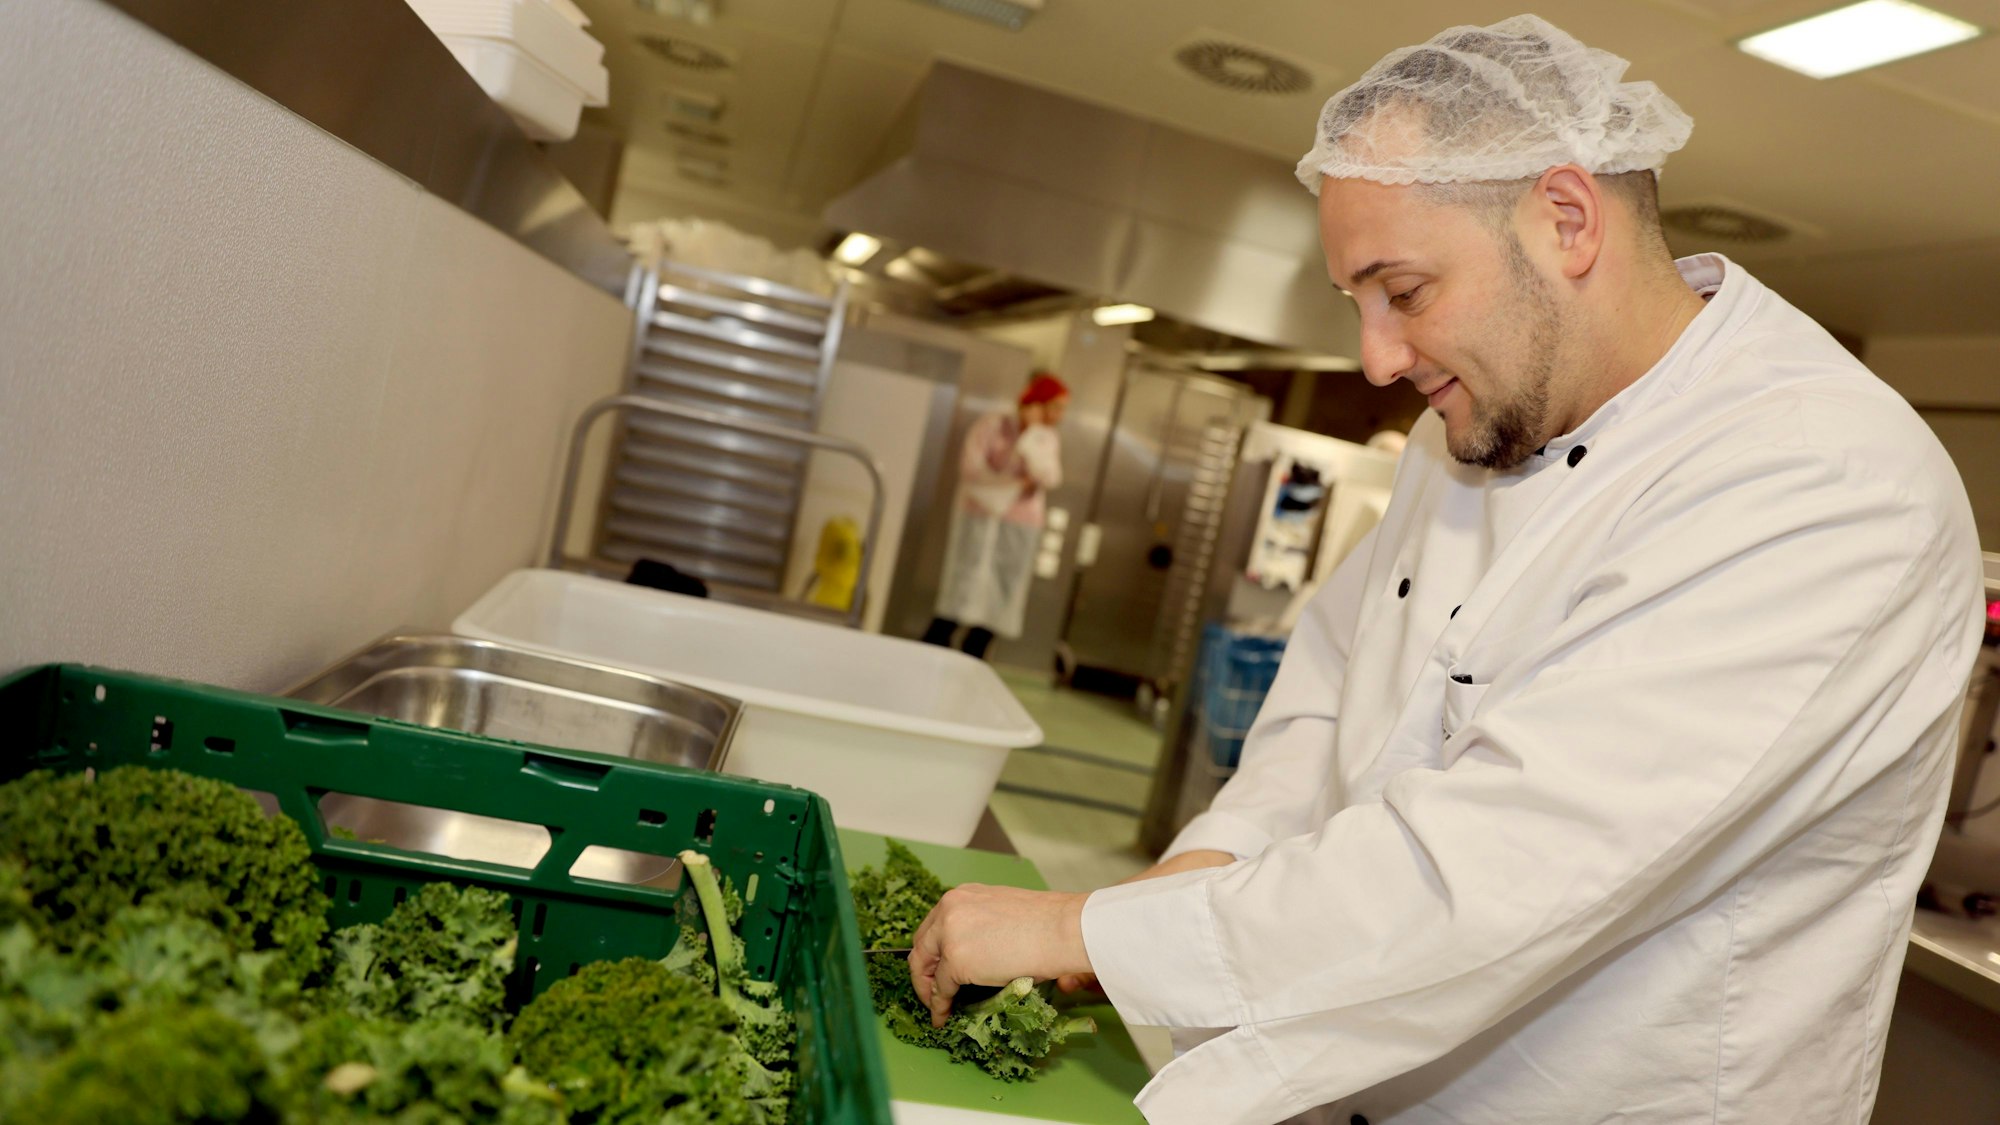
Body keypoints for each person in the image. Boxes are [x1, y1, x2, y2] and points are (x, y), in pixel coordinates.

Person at [904, 16, 1985, 1125]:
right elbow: (1328, 688)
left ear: (1564, 219)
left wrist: (1090, 929)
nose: (1376, 359)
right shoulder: (1463, 433)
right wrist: (1211, 862)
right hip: (1351, 1080)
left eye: (1404, 292)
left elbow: (1503, 867)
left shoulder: (1822, 482)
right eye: (1356, 305)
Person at [923, 372, 1068, 660]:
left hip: (1019, 524)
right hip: (978, 515)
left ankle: (975, 649)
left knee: (1004, 589)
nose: (1059, 415)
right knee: (964, 581)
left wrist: (1032, 436)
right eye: (1056, 406)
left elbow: (1048, 477)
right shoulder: (992, 425)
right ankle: (937, 643)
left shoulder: (1046, 438)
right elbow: (971, 468)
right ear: (1038, 401)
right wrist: (1012, 484)